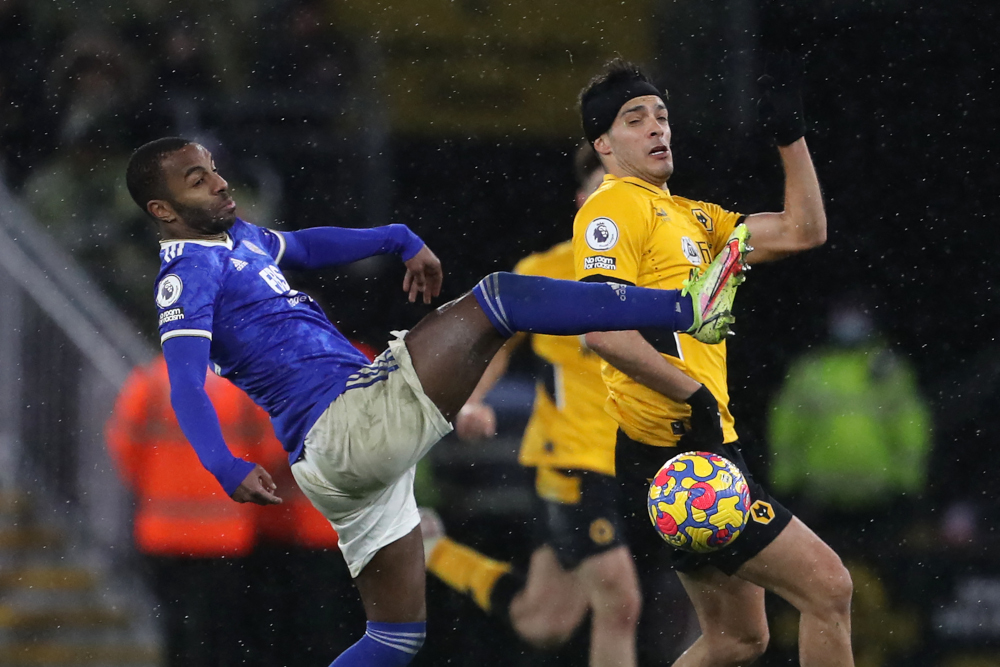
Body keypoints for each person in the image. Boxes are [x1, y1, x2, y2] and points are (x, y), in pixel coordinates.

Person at [124, 136, 747, 666]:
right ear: (164, 209)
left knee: (394, 638)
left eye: (213, 169)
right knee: (498, 299)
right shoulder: (185, 275)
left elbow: (308, 247)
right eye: (196, 179)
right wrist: (224, 464)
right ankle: (687, 307)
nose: (219, 183)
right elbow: (183, 381)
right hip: (347, 423)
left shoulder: (240, 240)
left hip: (338, 463)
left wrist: (395, 236)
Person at [571, 56, 854, 667]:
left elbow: (805, 230)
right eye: (635, 119)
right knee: (830, 588)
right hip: (677, 455)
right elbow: (602, 330)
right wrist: (693, 396)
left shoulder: (697, 219)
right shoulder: (612, 207)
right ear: (604, 145)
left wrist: (791, 139)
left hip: (704, 446)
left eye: (662, 116)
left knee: (739, 639)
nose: (656, 128)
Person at [425, 142, 647, 666]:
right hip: (568, 456)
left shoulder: (655, 270)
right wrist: (472, 402)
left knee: (545, 621)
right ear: (582, 203)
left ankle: (430, 549)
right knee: (622, 601)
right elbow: (497, 348)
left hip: (629, 459)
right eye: (601, 193)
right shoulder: (546, 271)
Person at [106, 354, 277, 667]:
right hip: (226, 534)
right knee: (221, 634)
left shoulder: (151, 381)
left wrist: (155, 488)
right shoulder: (243, 383)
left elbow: (124, 444)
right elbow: (269, 448)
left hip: (164, 531)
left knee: (176, 631)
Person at [768, 295, 932, 555]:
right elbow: (787, 426)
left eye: (857, 311)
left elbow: (910, 424)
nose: (849, 321)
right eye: (844, 312)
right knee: (822, 570)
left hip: (879, 494)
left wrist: (909, 480)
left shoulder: (887, 368)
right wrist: (785, 479)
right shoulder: (811, 369)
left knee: (877, 574)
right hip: (820, 496)